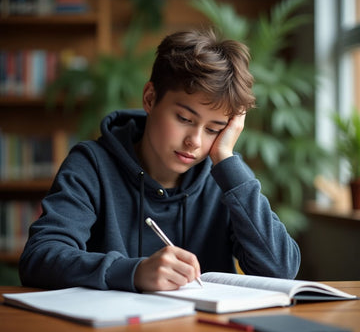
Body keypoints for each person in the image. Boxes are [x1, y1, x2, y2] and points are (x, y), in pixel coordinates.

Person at [19, 28, 300, 292]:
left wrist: (226, 161)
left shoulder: (224, 178)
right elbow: (40, 257)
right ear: (150, 98)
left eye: (214, 129)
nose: (196, 141)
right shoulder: (91, 164)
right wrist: (132, 272)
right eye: (184, 119)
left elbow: (280, 271)